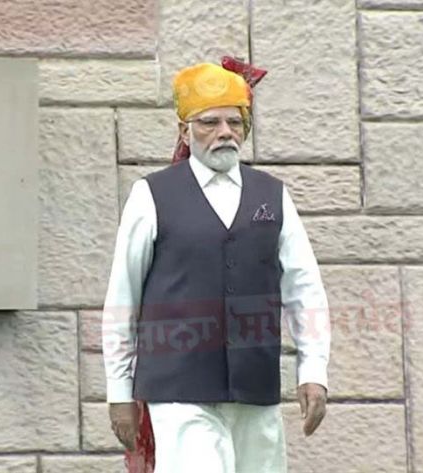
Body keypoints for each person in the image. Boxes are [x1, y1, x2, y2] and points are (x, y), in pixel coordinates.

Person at [102, 61, 331, 473]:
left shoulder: (273, 196)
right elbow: (124, 297)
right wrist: (119, 390)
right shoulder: (151, 195)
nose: (225, 132)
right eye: (209, 122)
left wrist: (313, 370)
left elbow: (305, 290)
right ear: (184, 130)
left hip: (255, 388)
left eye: (234, 121)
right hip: (178, 391)